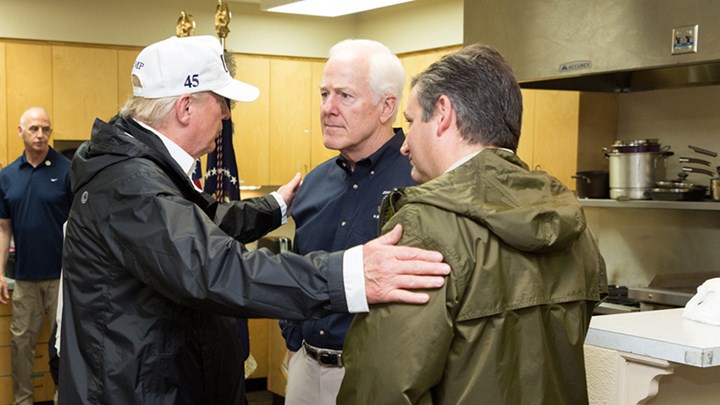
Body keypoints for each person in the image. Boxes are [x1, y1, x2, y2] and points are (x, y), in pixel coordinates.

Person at [58, 35, 450, 405]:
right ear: (185, 107)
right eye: (223, 102)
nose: (227, 116)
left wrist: (274, 206)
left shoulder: (138, 170)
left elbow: (199, 224)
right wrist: (351, 275)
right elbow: (215, 268)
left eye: (344, 95)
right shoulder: (132, 185)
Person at [337, 44, 608, 405]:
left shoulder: (424, 227)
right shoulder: (572, 223)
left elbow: (381, 387)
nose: (404, 146)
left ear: (444, 113)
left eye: (413, 121)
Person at [280, 39, 416, 405]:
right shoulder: (313, 184)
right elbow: (297, 268)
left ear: (388, 106)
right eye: (324, 94)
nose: (328, 108)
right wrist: (293, 341)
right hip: (305, 368)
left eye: (345, 96)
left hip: (377, 378)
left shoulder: (419, 182)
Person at [0, 107, 73, 405]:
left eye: (46, 129)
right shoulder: (7, 176)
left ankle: (63, 398)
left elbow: (79, 225)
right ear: (21, 132)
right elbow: (3, 230)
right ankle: (23, 401)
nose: (41, 135)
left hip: (62, 278)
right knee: (21, 346)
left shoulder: (67, 170)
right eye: (34, 129)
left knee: (65, 346)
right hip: (25, 279)